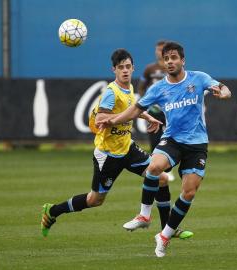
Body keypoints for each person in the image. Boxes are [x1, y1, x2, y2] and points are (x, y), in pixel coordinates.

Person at [97, 41, 231, 257]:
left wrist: (224, 93)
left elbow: (222, 87)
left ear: (182, 61)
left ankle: (165, 235)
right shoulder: (158, 88)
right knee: (154, 167)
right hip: (172, 140)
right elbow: (134, 110)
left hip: (197, 144)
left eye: (174, 58)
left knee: (189, 192)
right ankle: (144, 215)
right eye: (166, 58)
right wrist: (112, 121)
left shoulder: (199, 78)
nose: (169, 62)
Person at [41, 48, 192, 239]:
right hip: (108, 154)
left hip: (127, 148)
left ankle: (167, 231)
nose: (125, 71)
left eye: (128, 67)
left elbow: (130, 109)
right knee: (94, 200)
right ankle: (53, 211)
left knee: (160, 178)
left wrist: (146, 116)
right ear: (114, 70)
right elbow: (101, 118)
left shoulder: (128, 88)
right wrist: (121, 118)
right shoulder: (111, 92)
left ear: (133, 67)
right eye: (121, 68)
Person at [137, 40, 176, 181]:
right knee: (154, 139)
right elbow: (141, 87)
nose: (159, 52)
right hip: (154, 109)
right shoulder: (150, 69)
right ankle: (158, 169)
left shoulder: (172, 67)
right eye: (157, 49)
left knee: (172, 137)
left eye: (162, 49)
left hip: (171, 108)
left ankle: (169, 167)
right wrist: (146, 103)